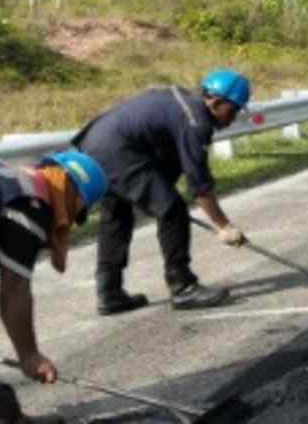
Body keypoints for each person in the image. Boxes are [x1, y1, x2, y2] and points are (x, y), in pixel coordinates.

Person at [73, 69, 252, 315]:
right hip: (117, 150)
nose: (232, 118)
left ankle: (109, 292)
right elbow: (199, 184)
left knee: (116, 214)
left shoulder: (183, 103)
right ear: (216, 101)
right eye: (232, 110)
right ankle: (183, 287)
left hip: (96, 144)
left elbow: (167, 162)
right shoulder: (195, 121)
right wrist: (223, 226)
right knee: (172, 209)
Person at [0, 151, 108, 424]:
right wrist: (29, 355)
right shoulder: (31, 204)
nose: (69, 220)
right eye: (77, 211)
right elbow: (14, 289)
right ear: (73, 192)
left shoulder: (14, 179)